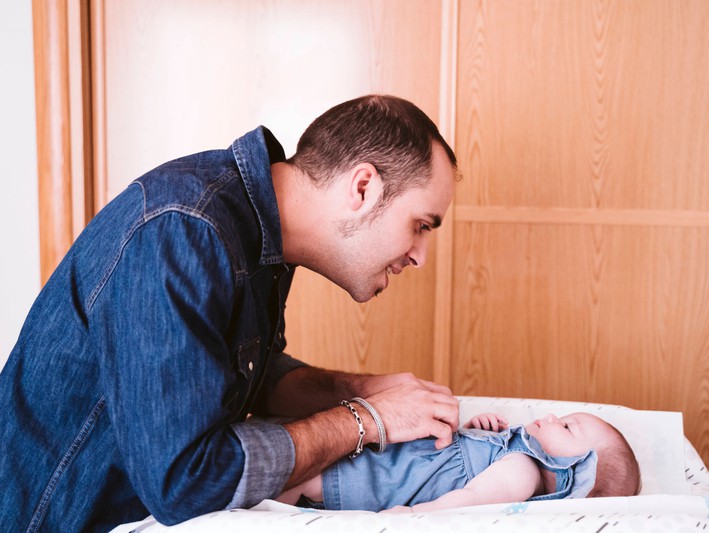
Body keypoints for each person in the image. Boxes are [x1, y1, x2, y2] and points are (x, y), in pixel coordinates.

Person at [0, 95, 462, 532]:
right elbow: (185, 480)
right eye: (420, 226)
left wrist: (364, 390)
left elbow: (250, 379)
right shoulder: (184, 229)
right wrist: (368, 418)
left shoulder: (264, 235)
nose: (419, 256)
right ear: (362, 187)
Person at [277, 411, 642, 512]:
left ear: (574, 471)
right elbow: (468, 458)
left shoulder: (523, 471)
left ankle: (260, 512)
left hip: (401, 477)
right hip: (414, 463)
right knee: (314, 465)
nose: (550, 417)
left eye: (566, 426)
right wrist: (477, 430)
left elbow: (469, 499)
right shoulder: (516, 449)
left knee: (308, 475)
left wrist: (417, 516)